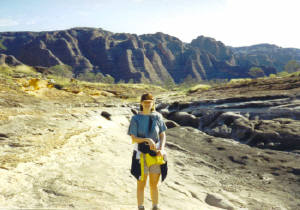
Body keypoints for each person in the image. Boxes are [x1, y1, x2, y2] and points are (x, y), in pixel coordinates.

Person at [128, 93, 168, 210]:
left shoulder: (158, 117)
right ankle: (141, 207)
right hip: (141, 155)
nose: (147, 104)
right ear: (141, 103)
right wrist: (147, 140)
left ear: (153, 103)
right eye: (145, 102)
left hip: (156, 154)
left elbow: (162, 134)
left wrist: (162, 148)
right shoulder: (136, 118)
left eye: (149, 102)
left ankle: (155, 207)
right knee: (141, 183)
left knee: (154, 184)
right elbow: (133, 138)